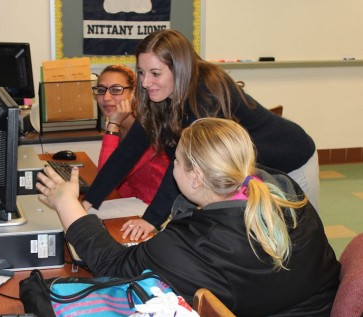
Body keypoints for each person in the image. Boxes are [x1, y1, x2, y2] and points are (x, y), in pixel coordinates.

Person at [36, 117, 340, 316]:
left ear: (196, 177)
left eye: (177, 161)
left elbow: (114, 266)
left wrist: (66, 203)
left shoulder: (197, 244)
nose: (172, 167)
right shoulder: (284, 190)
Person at [82, 29, 320, 240]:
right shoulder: (162, 94)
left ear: (179, 69)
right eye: (142, 73)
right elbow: (128, 152)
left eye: (155, 73)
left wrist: (151, 220)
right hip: (250, 168)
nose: (145, 83)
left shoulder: (205, 93)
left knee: (301, 237)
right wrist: (87, 202)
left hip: (289, 158)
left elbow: (184, 165)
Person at [93, 65, 169, 204]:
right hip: (132, 206)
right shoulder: (120, 127)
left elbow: (105, 182)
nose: (106, 98)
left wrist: (113, 125)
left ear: (134, 93)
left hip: (155, 214)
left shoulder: (146, 130)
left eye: (116, 90)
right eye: (101, 90)